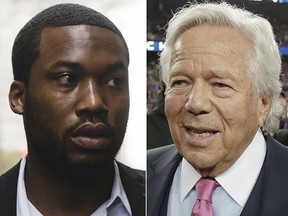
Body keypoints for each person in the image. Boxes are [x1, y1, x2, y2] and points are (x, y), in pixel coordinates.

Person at [0, 3, 145, 216]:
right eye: (68, 78)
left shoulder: (156, 197)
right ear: (19, 97)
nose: (95, 102)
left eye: (114, 81)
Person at [147, 2, 288, 216]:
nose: (195, 103)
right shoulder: (136, 178)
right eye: (180, 82)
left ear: (263, 104)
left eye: (220, 85)